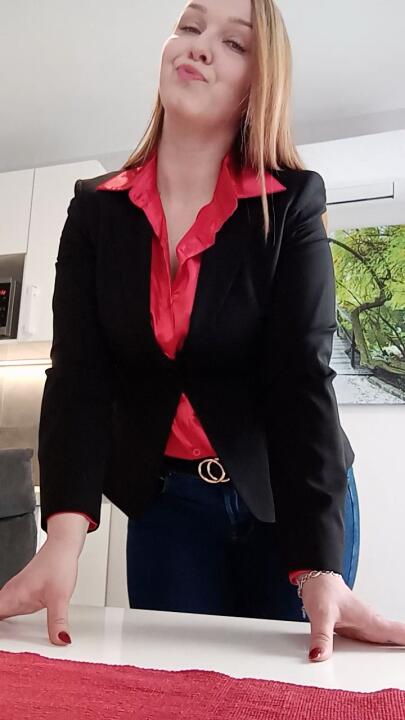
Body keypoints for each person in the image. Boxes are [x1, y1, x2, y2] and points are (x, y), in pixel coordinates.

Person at [1, 0, 404, 664]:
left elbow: (301, 381)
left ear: (258, 86)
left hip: (287, 500)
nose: (198, 45)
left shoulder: (291, 203)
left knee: (282, 692)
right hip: (167, 506)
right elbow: (78, 380)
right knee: (171, 690)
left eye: (233, 43)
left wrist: (317, 562)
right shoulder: (95, 210)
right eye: (189, 27)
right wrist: (61, 540)